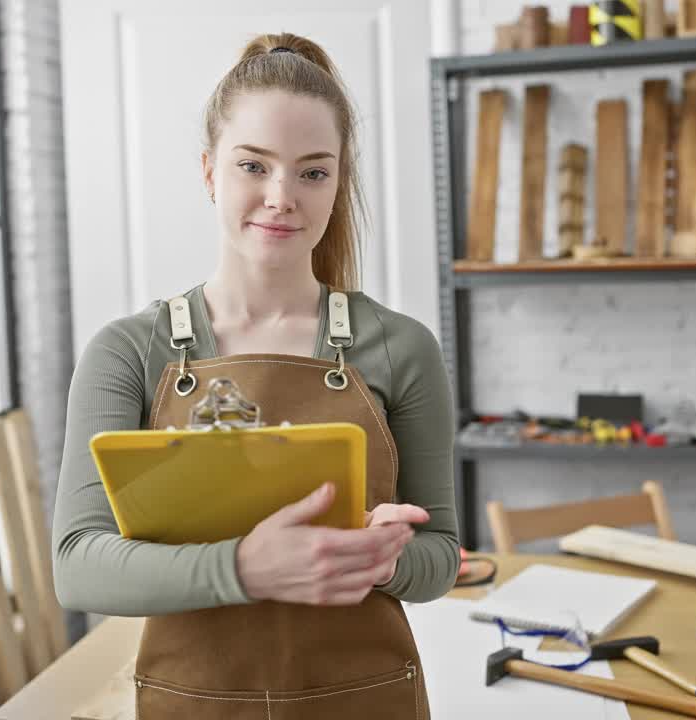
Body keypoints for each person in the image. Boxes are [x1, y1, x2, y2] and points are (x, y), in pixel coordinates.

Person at [53, 31, 459, 719]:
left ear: (337, 183)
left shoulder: (401, 348)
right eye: (254, 166)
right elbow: (78, 565)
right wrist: (244, 567)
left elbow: (441, 556)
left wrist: (385, 561)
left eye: (312, 171)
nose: (281, 197)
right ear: (210, 171)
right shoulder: (128, 353)